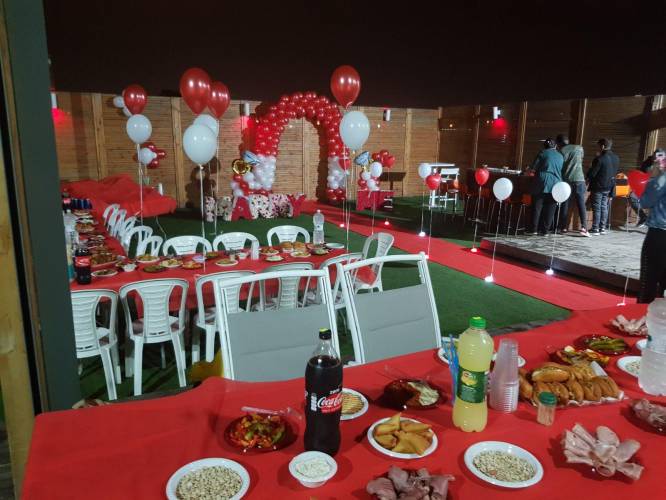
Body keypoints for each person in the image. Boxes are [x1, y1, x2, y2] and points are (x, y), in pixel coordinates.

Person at [638, 155, 666, 303]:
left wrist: (654, 177)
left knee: (648, 281)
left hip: (659, 234)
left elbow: (645, 202)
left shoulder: (661, 179)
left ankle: (642, 314)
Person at [528, 138, 563, 235]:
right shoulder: (560, 156)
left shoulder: (542, 153)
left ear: (545, 146)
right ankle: (545, 231)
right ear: (555, 146)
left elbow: (533, 168)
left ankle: (534, 230)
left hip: (541, 182)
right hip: (556, 184)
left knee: (537, 207)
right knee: (550, 208)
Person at [555, 134, 588, 235]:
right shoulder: (579, 148)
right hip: (580, 179)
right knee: (581, 204)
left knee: (565, 203)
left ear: (559, 143)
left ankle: (563, 227)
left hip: (568, 180)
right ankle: (584, 228)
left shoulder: (562, 151)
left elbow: (560, 165)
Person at [586, 138, 619, 235]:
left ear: (603, 146)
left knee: (597, 207)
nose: (598, 148)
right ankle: (602, 228)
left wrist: (591, 166)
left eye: (598, 146)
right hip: (609, 186)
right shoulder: (616, 158)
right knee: (604, 206)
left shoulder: (599, 158)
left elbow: (592, 174)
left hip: (598, 186)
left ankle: (595, 228)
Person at [631, 148, 664, 227]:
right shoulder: (646, 163)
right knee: (632, 196)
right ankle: (643, 217)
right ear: (653, 154)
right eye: (656, 156)